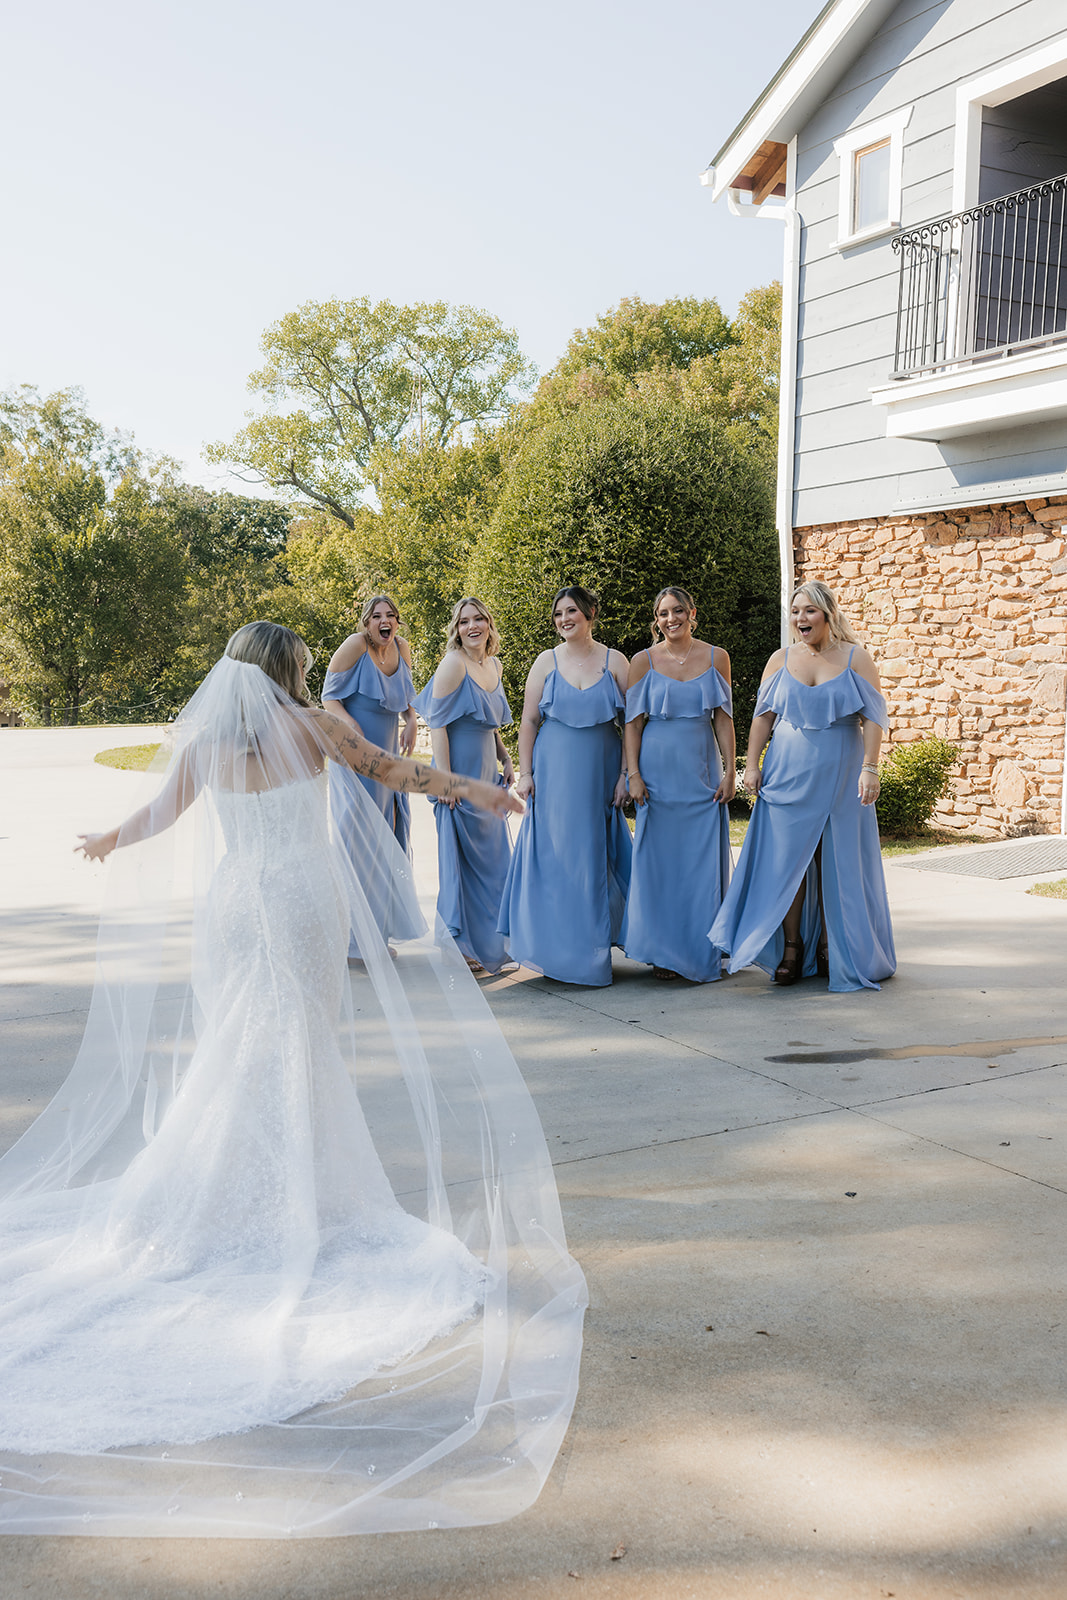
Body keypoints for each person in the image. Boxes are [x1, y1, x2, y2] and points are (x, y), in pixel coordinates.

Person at [0, 622, 587, 1538]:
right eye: (304, 661)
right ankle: (288, 1198)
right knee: (293, 1045)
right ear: (289, 670)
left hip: (240, 903)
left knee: (244, 1045)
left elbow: (164, 813)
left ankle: (231, 1189)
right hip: (304, 899)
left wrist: (111, 840)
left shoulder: (205, 743)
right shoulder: (314, 727)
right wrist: (472, 789)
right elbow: (393, 774)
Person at [710, 580, 896, 991]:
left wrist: (871, 768)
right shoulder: (780, 659)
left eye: (809, 611)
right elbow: (763, 717)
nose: (800, 619)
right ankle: (791, 949)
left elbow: (874, 719)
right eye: (795, 612)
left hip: (841, 776)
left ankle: (833, 947)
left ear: (828, 613)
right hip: (787, 773)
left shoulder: (856, 658)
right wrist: (751, 765)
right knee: (786, 865)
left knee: (837, 862)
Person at [497, 586, 631, 986]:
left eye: (572, 610)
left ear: (591, 613)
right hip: (553, 770)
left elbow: (633, 725)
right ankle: (555, 951)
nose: (564, 619)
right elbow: (528, 722)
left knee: (592, 857)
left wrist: (626, 773)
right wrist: (526, 772)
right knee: (555, 857)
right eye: (558, 614)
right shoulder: (545, 661)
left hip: (600, 771)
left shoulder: (616, 661)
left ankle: (592, 954)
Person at [620, 586, 735, 982]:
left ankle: (701, 948)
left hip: (700, 768)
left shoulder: (717, 656)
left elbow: (723, 717)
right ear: (656, 619)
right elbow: (632, 725)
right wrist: (633, 775)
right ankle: (663, 952)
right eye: (663, 613)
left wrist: (730, 770)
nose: (671, 619)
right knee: (660, 864)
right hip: (656, 770)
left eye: (678, 611)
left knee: (700, 862)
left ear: (692, 612)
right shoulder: (642, 661)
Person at [414, 597, 515, 975]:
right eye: (463, 622)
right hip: (459, 777)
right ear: (456, 629)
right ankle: (460, 948)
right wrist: (445, 779)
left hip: (488, 773)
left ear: (489, 623)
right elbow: (438, 724)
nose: (472, 627)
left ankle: (494, 944)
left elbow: (489, 723)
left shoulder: (494, 664)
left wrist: (505, 759)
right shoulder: (452, 665)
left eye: (478, 619)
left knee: (492, 864)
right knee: (461, 863)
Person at [322, 594, 420, 954]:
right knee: (358, 841)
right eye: (377, 616)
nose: (385, 621)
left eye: (391, 615)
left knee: (387, 840)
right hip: (355, 757)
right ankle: (350, 939)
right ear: (366, 623)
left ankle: (375, 935)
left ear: (397, 621)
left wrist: (410, 720)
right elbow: (328, 697)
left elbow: (409, 698)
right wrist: (347, 722)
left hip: (389, 760)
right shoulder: (354, 647)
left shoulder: (402, 648)